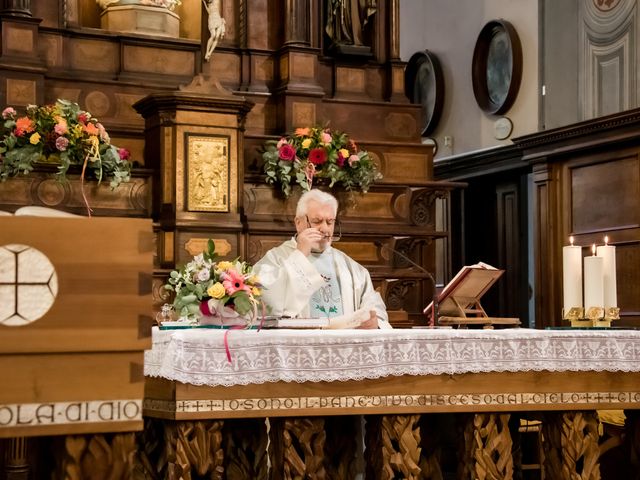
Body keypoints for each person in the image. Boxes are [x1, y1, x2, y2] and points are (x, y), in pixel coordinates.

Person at [254, 189, 391, 329]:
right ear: (298, 222)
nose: (325, 229)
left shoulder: (351, 268)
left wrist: (376, 323)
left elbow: (375, 309)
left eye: (330, 222)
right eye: (317, 221)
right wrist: (300, 254)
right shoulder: (276, 258)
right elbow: (265, 301)